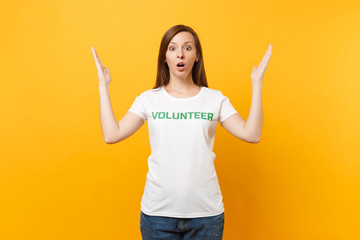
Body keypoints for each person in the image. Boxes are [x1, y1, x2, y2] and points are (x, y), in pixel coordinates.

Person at [91, 24, 272, 240]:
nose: (180, 54)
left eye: (187, 48)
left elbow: (251, 134)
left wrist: (257, 83)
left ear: (196, 56)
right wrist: (103, 85)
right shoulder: (149, 99)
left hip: (206, 216)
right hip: (157, 215)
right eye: (172, 48)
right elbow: (112, 134)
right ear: (164, 57)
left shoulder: (214, 99)